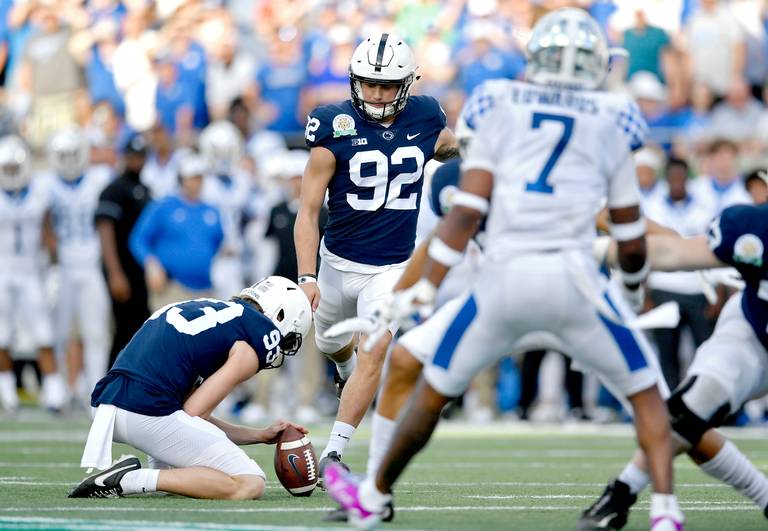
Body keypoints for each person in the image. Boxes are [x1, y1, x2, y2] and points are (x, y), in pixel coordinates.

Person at [323, 10, 682, 531]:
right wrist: (630, 293)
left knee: (431, 389)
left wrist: (416, 293)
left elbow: (464, 215)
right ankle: (666, 511)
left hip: (503, 285)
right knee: (648, 393)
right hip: (575, 282)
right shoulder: (614, 114)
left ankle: (375, 494)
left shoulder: (497, 103)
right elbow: (628, 230)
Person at [294, 32, 457, 478]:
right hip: (337, 262)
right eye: (368, 83)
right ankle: (343, 369)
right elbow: (308, 212)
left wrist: (469, 153)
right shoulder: (333, 124)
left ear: (406, 84)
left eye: (387, 85)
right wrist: (307, 275)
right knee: (329, 342)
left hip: (391, 267)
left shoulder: (426, 114)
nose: (377, 93)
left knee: (376, 347)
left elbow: (447, 144)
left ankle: (334, 453)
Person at [580, 203, 768, 529]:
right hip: (754, 332)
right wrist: (591, 249)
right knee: (692, 407)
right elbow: (673, 252)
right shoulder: (754, 226)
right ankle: (621, 495)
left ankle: (621, 492)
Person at [68, 276, 312, 500]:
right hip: (146, 410)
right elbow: (194, 414)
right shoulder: (254, 337)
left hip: (111, 406)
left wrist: (258, 435)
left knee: (189, 478)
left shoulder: (208, 308)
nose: (283, 345)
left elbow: (187, 414)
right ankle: (129, 479)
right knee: (250, 483)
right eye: (288, 338)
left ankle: (152, 473)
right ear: (280, 317)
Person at [0, 134, 66, 412]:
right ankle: (7, 391)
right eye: (8, 169)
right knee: (2, 334)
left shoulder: (40, 193)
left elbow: (48, 234)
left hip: (30, 271)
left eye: (16, 168)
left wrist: (55, 268)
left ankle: (54, 391)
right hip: (3, 270)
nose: (13, 174)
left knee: (43, 331)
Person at [47, 128, 112, 406]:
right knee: (60, 332)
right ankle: (65, 388)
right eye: (65, 155)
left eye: (74, 153)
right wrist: (50, 249)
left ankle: (93, 389)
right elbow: (42, 222)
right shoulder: (45, 184)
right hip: (63, 267)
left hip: (91, 266)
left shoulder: (99, 178)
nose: (70, 160)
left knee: (95, 332)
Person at [129, 152, 224, 311]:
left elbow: (217, 243)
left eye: (199, 177)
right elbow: (138, 239)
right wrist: (151, 264)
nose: (196, 182)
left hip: (205, 289)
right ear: (182, 179)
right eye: (192, 177)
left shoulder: (211, 211)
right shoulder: (164, 206)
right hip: (172, 286)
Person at [95, 134, 151, 368]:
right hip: (122, 269)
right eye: (132, 156)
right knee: (123, 330)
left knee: (141, 329)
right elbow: (105, 231)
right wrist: (115, 273)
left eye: (141, 156)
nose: (136, 161)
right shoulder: (114, 189)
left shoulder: (145, 189)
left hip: (140, 271)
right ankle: (108, 386)